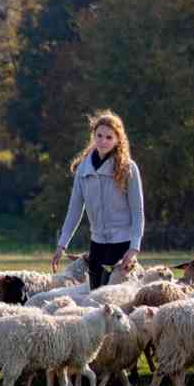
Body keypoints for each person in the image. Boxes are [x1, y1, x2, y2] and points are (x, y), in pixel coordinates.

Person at [50, 110, 144, 289]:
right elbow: (75, 210)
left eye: (109, 137)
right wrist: (62, 244)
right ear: (93, 136)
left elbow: (137, 211)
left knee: (120, 302)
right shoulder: (83, 170)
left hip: (122, 244)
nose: (103, 141)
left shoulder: (128, 169)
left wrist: (134, 248)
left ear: (118, 139)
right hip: (97, 244)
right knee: (95, 299)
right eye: (99, 135)